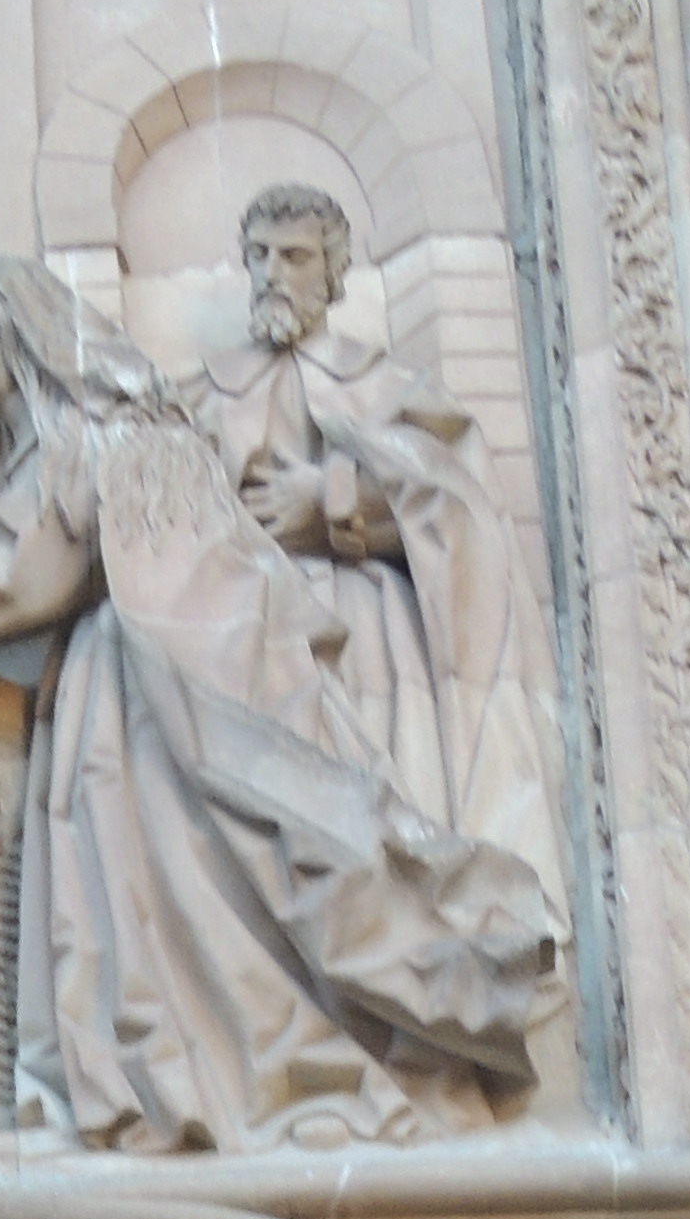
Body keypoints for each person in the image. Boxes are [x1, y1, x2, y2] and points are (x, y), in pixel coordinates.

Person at [0, 258, 562, 1148]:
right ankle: (171, 1078)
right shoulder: (41, 446)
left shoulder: (105, 436)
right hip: (125, 684)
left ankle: (240, 1075)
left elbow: (31, 579)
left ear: (26, 347)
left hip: (166, 694)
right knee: (142, 898)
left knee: (193, 881)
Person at [194, 185, 569, 953]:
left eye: (295, 256)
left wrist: (330, 499)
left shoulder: (386, 389)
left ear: (333, 274)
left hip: (364, 628)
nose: (273, 273)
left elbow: (463, 516)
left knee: (375, 810)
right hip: (249, 626)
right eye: (259, 256)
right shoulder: (205, 393)